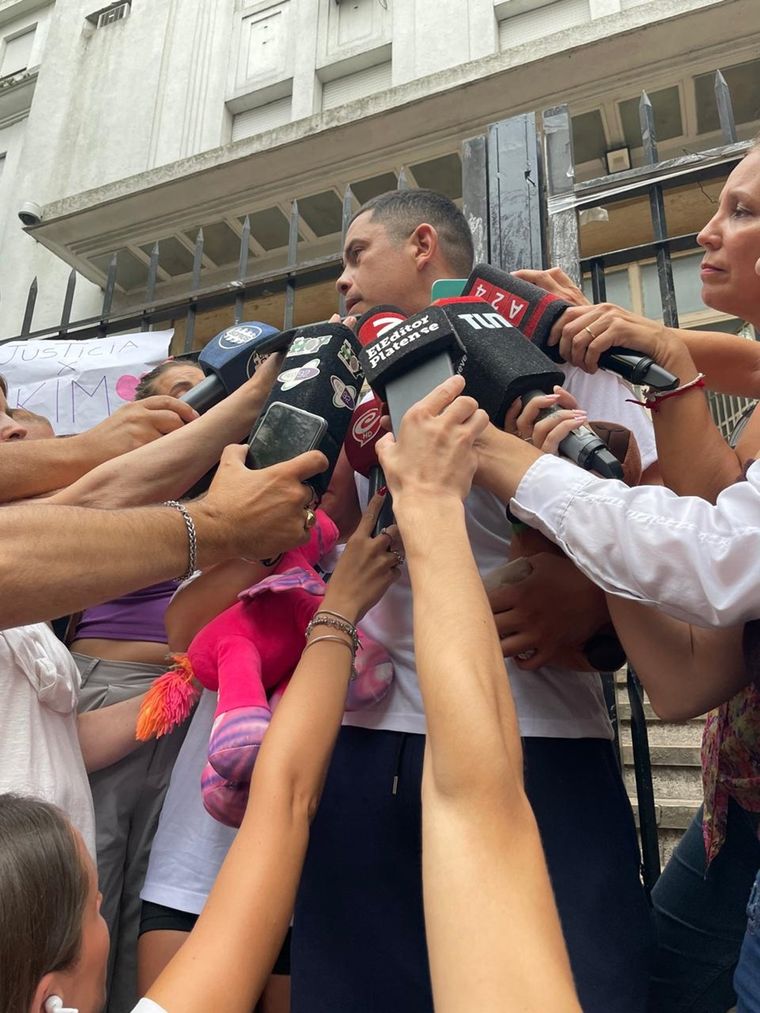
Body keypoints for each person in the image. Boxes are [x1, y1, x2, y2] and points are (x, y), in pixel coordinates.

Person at [291, 188, 658, 1013]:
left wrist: (594, 607)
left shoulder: (562, 347)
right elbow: (309, 547)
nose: (342, 283)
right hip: (368, 745)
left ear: (423, 244)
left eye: (355, 256)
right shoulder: (346, 381)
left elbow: (666, 546)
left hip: (542, 742)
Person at [511, 137, 760, 1012]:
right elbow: (695, 669)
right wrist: (642, 350)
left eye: (743, 210)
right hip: (742, 794)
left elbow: (716, 561)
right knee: (666, 982)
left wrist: (523, 470)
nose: (706, 232)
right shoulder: (755, 409)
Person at [0, 489, 402, 1013]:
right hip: (214, 858)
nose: (102, 903)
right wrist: (338, 610)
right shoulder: (256, 560)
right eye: (92, 912)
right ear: (47, 999)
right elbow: (286, 800)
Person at [67, 360, 206, 1013]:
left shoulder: (222, 476)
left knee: (147, 907)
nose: (200, 404)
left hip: (189, 697)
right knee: (82, 890)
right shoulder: (117, 478)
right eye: (182, 392)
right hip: (107, 691)